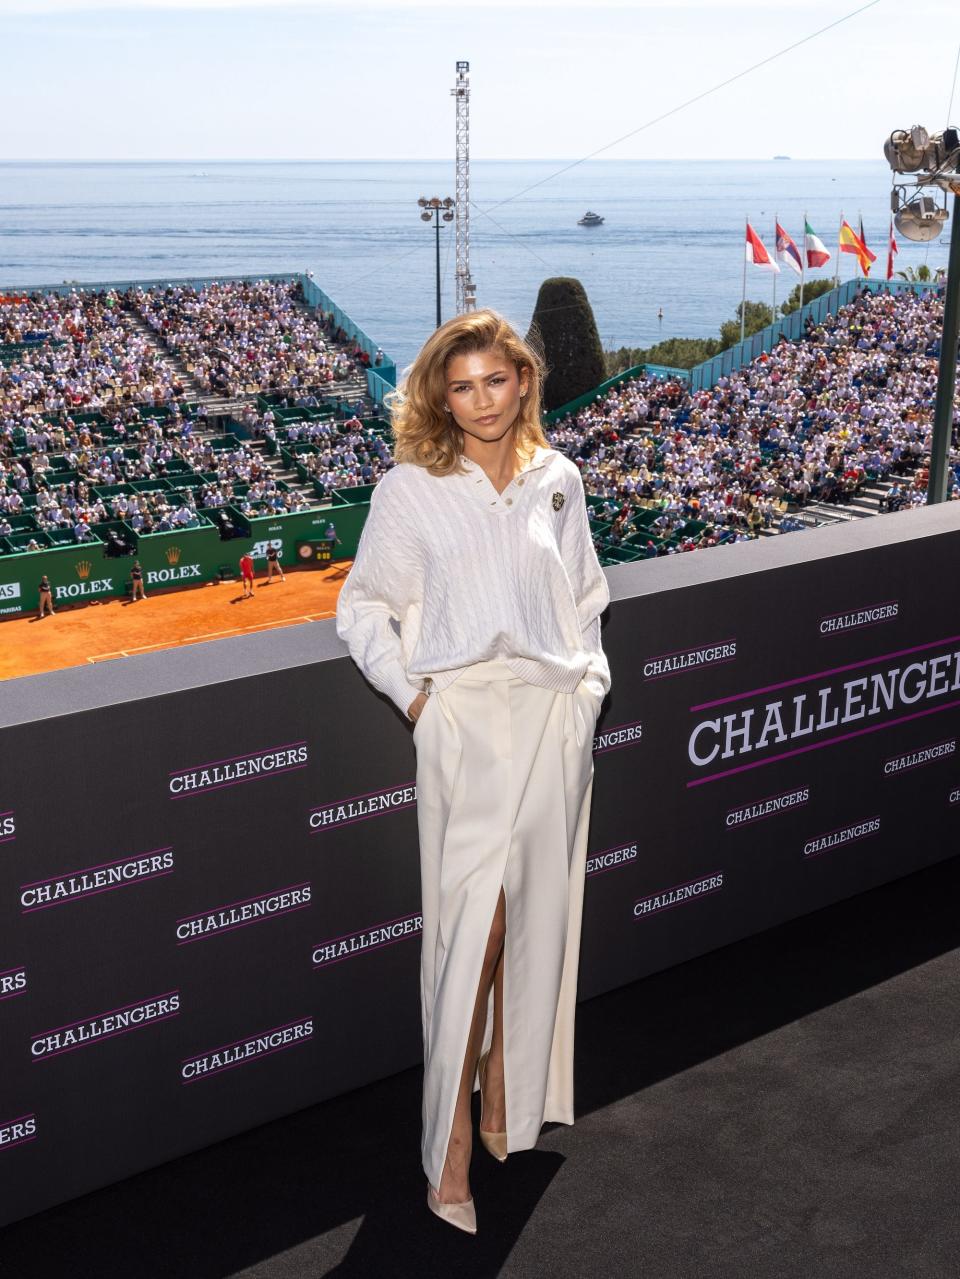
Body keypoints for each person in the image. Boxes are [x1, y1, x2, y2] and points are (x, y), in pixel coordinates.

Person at [335, 309, 611, 1235]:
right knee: (471, 935)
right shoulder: (411, 489)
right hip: (463, 722)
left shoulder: (558, 479)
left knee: (531, 918)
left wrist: (586, 689)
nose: (482, 400)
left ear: (524, 381)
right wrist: (419, 702)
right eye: (463, 385)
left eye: (497, 380)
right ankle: (448, 1144)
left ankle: (503, 1107)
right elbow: (364, 609)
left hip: (550, 719)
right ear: (439, 395)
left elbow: (584, 600)